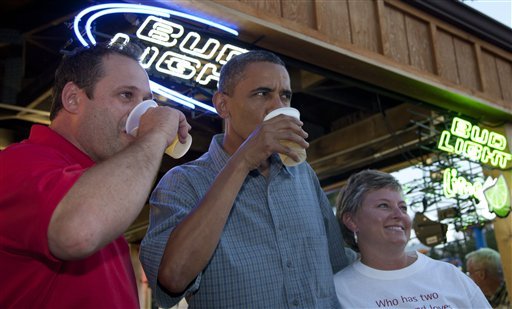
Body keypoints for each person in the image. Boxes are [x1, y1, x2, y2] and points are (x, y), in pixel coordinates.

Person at [139, 50, 355, 308]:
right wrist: (242, 161)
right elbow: (172, 279)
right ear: (223, 105)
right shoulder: (183, 182)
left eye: (284, 96)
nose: (278, 106)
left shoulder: (303, 175)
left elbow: (339, 264)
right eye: (262, 93)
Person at [0, 42, 190, 308]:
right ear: (73, 99)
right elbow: (79, 232)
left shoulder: (101, 187)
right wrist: (156, 134)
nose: (144, 114)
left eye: (148, 102)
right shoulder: (18, 163)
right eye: (126, 95)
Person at [333, 169, 491, 308]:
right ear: (351, 221)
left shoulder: (449, 275)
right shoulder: (339, 291)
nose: (399, 215)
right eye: (383, 205)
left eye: (403, 207)